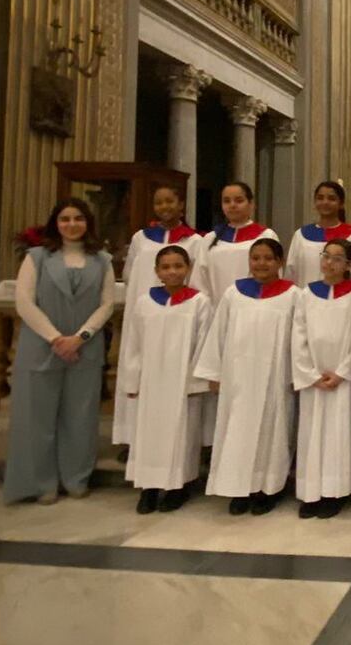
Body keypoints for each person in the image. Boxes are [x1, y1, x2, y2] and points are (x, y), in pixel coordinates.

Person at [3, 199, 115, 504]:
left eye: (79, 218)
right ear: (55, 223)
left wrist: (80, 337)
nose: (72, 224)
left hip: (84, 348)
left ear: (88, 223)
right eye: (65, 219)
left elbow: (107, 304)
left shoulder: (102, 260)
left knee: (80, 417)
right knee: (36, 418)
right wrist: (56, 338)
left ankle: (76, 477)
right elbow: (24, 302)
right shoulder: (37, 257)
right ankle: (42, 483)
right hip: (41, 345)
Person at [195, 238, 298, 516]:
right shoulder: (234, 293)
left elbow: (298, 339)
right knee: (236, 430)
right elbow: (219, 332)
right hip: (237, 377)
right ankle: (239, 487)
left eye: (268, 258)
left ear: (279, 262)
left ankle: (268, 488)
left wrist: (296, 375)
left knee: (273, 431)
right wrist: (214, 373)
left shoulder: (292, 295)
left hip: (275, 377)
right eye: (256, 258)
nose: (261, 263)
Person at [120, 245, 212, 514]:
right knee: (148, 435)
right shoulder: (145, 302)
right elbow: (134, 344)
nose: (172, 272)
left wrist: (196, 381)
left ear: (188, 269)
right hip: (151, 381)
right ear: (157, 271)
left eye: (178, 266)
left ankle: (177, 488)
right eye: (166, 267)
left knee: (181, 434)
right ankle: (148, 488)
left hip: (182, 382)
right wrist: (132, 380)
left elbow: (204, 344)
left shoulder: (199, 302)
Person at [113, 184, 202, 448]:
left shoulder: (194, 241)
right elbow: (129, 275)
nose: (165, 207)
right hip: (145, 314)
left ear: (181, 204)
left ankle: (177, 442)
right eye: (159, 202)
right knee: (138, 370)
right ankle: (133, 439)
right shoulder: (141, 238)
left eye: (170, 201)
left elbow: (196, 279)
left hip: (178, 317)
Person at [191, 181, 279, 446]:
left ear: (251, 204)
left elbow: (274, 277)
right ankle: (215, 444)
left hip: (255, 320)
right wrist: (210, 317)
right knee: (218, 384)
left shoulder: (265, 235)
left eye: (239, 200)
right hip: (218, 319)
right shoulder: (210, 240)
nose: (233, 206)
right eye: (227, 201)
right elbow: (199, 282)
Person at [293, 238, 351, 519]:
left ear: (348, 264)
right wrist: (310, 374)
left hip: (343, 377)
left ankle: (337, 491)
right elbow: (298, 335)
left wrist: (343, 371)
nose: (329, 262)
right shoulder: (306, 294)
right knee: (312, 434)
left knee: (340, 433)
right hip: (315, 377)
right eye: (326, 256)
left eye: (337, 258)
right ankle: (311, 491)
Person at [285, 181, 351, 288]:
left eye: (331, 198)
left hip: (341, 296)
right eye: (320, 198)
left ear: (341, 204)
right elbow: (291, 273)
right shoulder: (300, 236)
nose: (325, 202)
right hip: (305, 295)